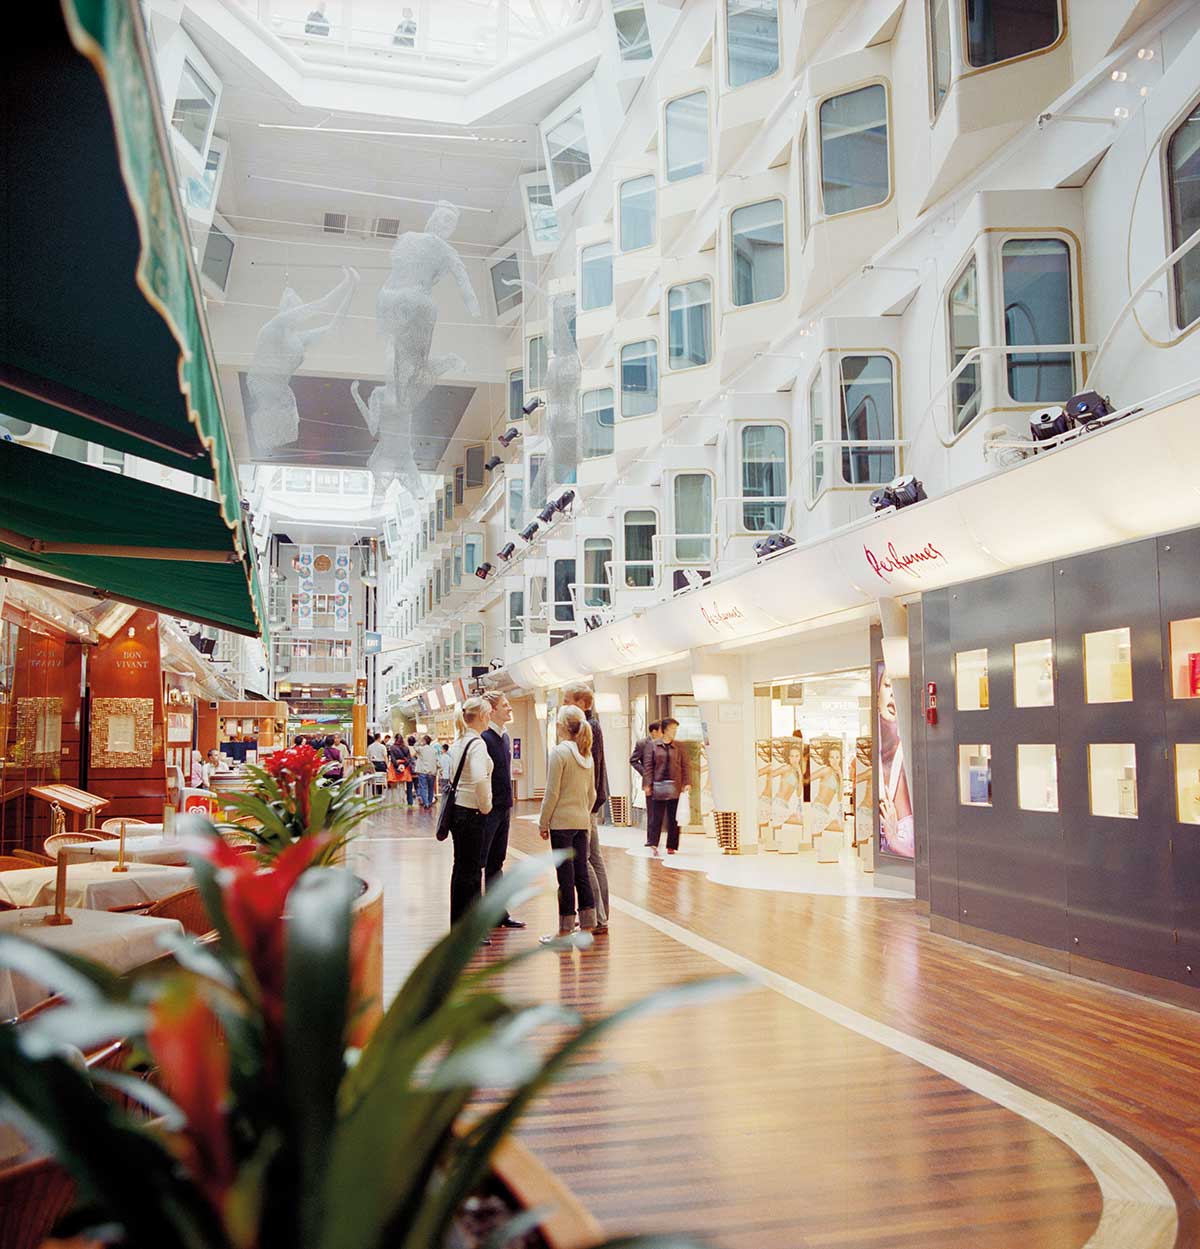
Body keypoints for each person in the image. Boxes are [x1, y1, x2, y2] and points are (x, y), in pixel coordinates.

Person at [537, 705, 597, 942]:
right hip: (582, 822)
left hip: (561, 824)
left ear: (560, 725)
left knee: (565, 877)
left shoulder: (559, 753)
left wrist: (543, 822)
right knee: (582, 873)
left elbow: (552, 792)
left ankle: (564, 929)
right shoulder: (586, 755)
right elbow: (592, 794)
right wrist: (583, 812)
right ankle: (588, 925)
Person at [444, 697, 494, 938]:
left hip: (458, 811)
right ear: (482, 716)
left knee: (461, 869)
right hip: (472, 812)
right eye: (489, 714)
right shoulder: (477, 744)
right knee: (472, 871)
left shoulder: (459, 741)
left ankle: (459, 925)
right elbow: (479, 777)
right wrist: (486, 805)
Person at [562, 682, 610, 933]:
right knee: (594, 858)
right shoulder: (593, 726)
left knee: (586, 860)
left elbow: (590, 769)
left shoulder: (587, 728)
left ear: (581, 703)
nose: (563, 705)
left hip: (585, 804)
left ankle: (597, 916)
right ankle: (601, 915)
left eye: (567, 701)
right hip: (591, 801)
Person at [481, 692, 524, 930]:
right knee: (482, 861)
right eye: (504, 705)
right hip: (489, 809)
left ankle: (498, 913)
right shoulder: (484, 739)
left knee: (497, 861)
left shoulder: (504, 737)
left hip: (503, 808)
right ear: (492, 710)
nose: (509, 708)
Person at [877, 667, 915, 857]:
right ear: (877, 695)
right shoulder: (876, 760)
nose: (893, 693)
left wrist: (893, 840)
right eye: (887, 685)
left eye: (899, 688)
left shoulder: (911, 760)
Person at [644, 717, 691, 856]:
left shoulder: (679, 746)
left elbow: (685, 765)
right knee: (656, 817)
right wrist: (647, 784)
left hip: (675, 785)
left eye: (676, 729)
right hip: (658, 785)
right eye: (671, 729)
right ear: (664, 730)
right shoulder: (653, 745)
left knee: (673, 817)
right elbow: (648, 766)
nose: (674, 732)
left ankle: (672, 846)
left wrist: (687, 782)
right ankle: (653, 843)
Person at [414, 734, 438, 808]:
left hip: (423, 771)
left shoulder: (421, 749)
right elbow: (437, 760)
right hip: (432, 772)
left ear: (424, 741)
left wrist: (419, 741)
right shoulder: (434, 750)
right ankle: (430, 802)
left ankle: (426, 803)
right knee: (431, 788)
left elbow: (415, 746)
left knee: (423, 787)